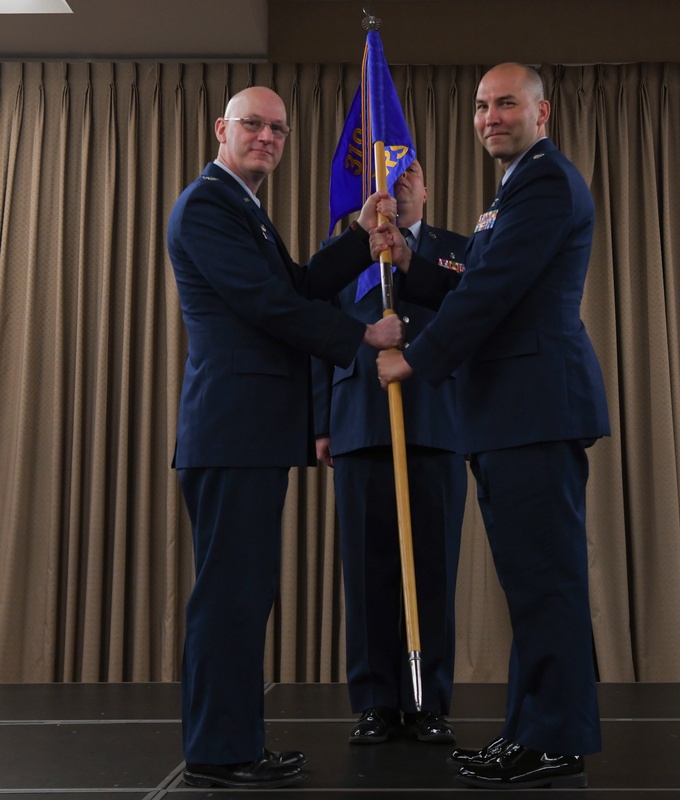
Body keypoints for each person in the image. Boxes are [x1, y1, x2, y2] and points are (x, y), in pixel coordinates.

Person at [372, 63, 610, 790]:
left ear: (543, 112)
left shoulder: (543, 180)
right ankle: (531, 730)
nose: (489, 117)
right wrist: (412, 256)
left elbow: (497, 290)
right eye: (480, 105)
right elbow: (477, 270)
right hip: (513, 411)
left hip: (533, 406)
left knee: (545, 582)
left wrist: (416, 356)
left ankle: (552, 739)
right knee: (531, 581)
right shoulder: (514, 188)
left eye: (506, 102)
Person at [167, 86, 403, 790]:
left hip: (250, 434)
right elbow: (265, 304)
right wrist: (362, 333)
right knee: (231, 596)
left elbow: (297, 284)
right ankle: (218, 751)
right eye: (253, 125)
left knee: (245, 593)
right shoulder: (208, 204)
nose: (267, 137)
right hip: (231, 431)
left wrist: (359, 237)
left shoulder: (243, 207)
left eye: (278, 128)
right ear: (221, 129)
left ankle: (233, 743)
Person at [312, 158, 468, 746]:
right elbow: (315, 336)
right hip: (356, 421)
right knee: (368, 570)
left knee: (433, 570)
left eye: (409, 175)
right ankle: (375, 700)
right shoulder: (343, 250)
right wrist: (321, 422)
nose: (398, 185)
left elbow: (472, 318)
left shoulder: (458, 250)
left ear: (427, 187)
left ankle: (428, 701)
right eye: (388, 176)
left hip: (436, 420)